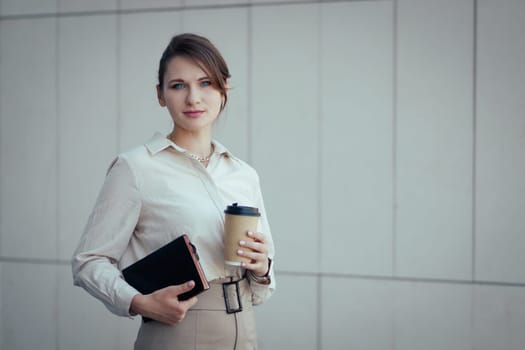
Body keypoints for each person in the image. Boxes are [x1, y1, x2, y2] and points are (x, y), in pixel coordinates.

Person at [72, 33, 275, 350]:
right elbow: (88, 261)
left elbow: (264, 289)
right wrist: (138, 301)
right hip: (179, 327)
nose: (194, 97)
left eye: (206, 83)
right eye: (178, 85)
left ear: (224, 89)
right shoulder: (135, 168)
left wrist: (263, 268)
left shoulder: (244, 174)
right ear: (160, 94)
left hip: (245, 328)